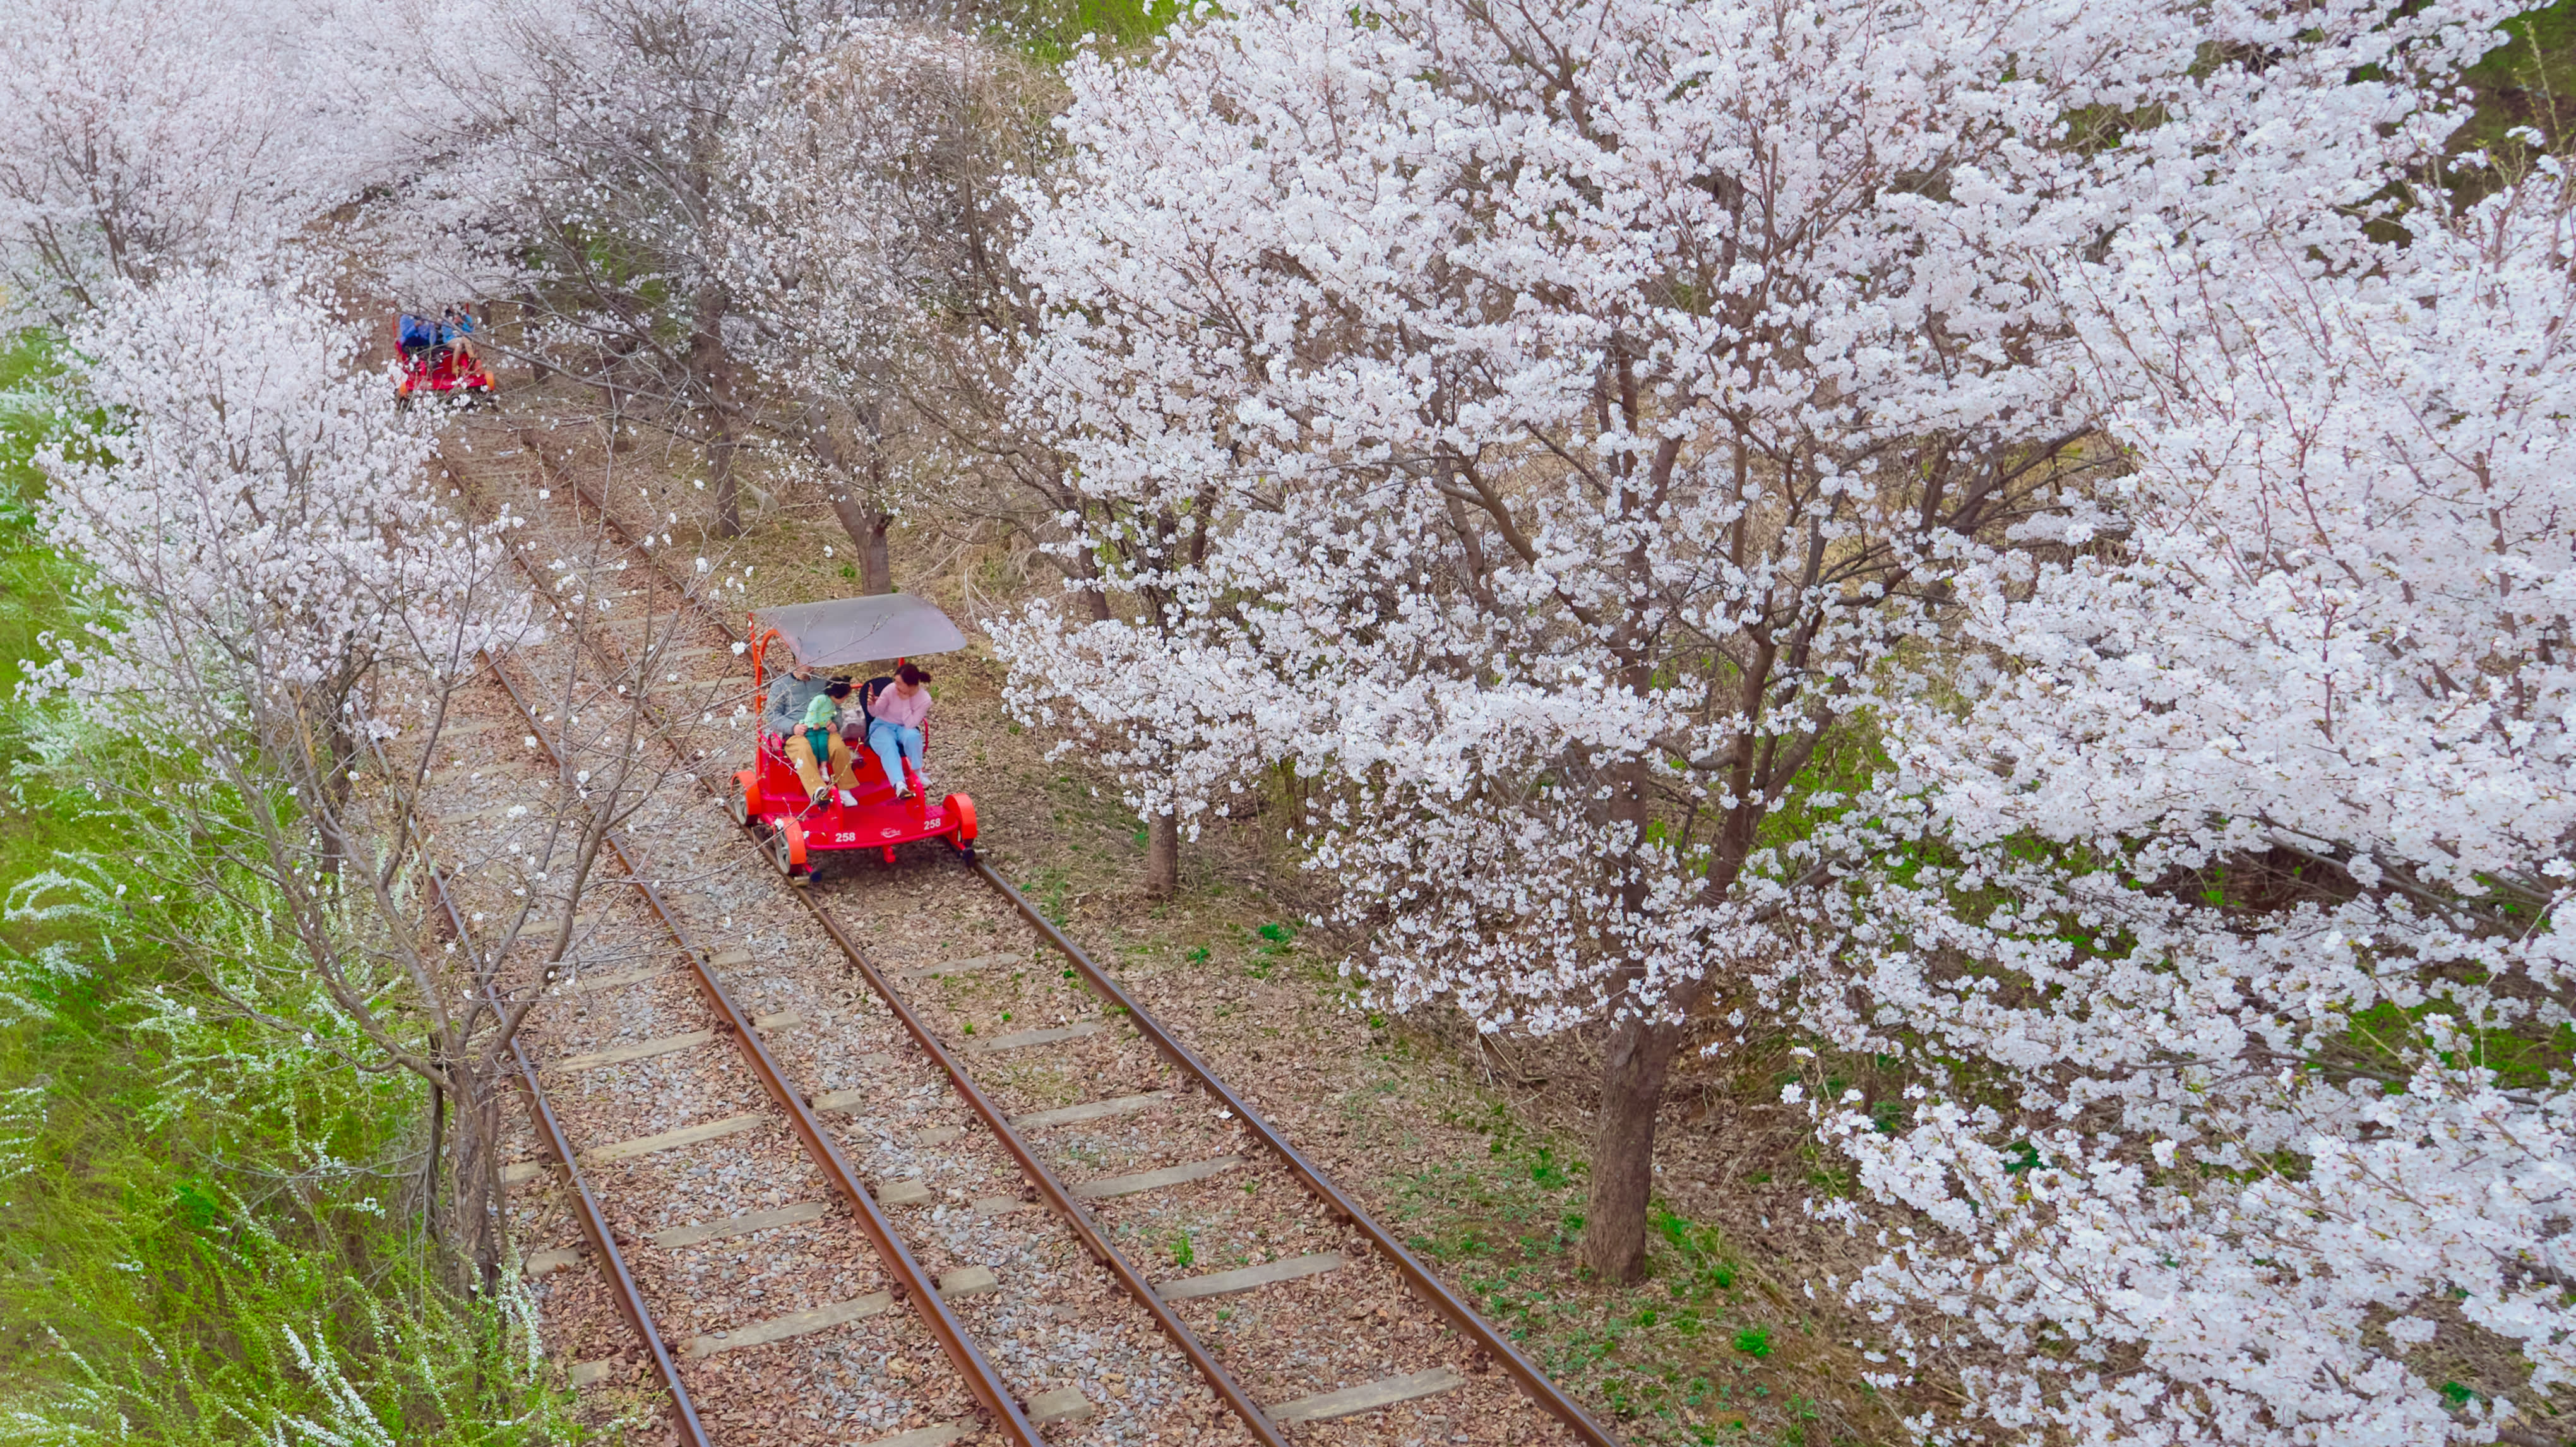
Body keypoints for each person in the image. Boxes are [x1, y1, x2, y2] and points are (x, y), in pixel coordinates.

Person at [763, 662, 860, 807]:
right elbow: (772, 715)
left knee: (838, 746)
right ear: (796, 662)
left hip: (823, 729)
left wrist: (836, 723)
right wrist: (792, 727)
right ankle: (817, 791)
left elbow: (837, 708)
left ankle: (845, 789)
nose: (811, 667)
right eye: (807, 662)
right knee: (803, 750)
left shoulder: (822, 682)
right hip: (797, 733)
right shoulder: (781, 685)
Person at [862, 664, 933, 801]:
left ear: (910, 685)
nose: (896, 685)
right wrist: (871, 705)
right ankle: (899, 784)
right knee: (888, 744)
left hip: (904, 726)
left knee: (913, 736)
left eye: (899, 683)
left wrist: (905, 702)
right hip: (883, 725)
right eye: (895, 681)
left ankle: (918, 772)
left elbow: (911, 724)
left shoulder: (925, 699)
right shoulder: (890, 690)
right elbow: (877, 712)